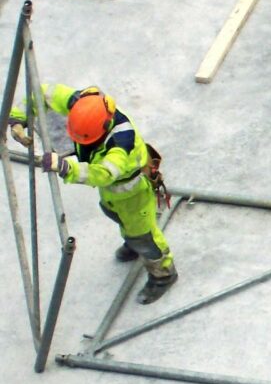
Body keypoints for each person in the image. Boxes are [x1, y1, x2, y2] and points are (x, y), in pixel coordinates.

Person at [8, 83, 178, 304]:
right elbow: (44, 92)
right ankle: (132, 242)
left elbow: (103, 173)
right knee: (112, 213)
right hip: (113, 196)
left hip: (133, 195)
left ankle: (163, 274)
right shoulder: (86, 106)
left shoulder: (122, 144)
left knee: (144, 236)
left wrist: (65, 166)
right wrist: (18, 119)